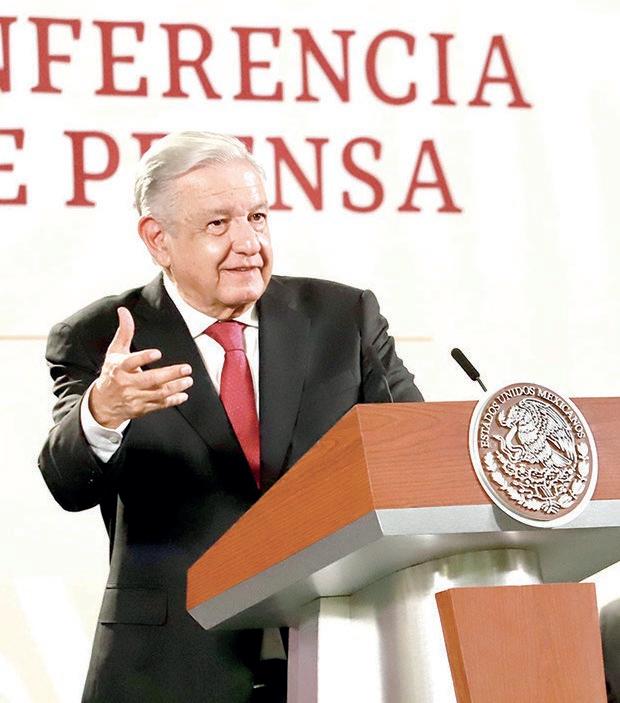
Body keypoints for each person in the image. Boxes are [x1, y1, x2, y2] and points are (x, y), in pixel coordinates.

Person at [38, 131, 423, 703]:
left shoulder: (343, 317)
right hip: (169, 665)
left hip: (343, 649)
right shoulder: (101, 336)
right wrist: (102, 412)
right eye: (218, 224)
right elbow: (67, 484)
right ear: (158, 239)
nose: (248, 243)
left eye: (257, 217)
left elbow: (415, 455)